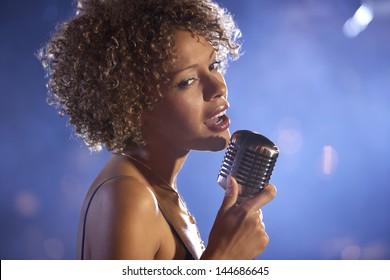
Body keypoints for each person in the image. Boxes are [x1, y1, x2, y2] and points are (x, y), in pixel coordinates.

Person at [38, 0, 277, 260]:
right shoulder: (129, 197)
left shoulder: (154, 187)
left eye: (213, 66)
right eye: (187, 81)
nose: (217, 87)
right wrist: (223, 258)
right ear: (131, 103)